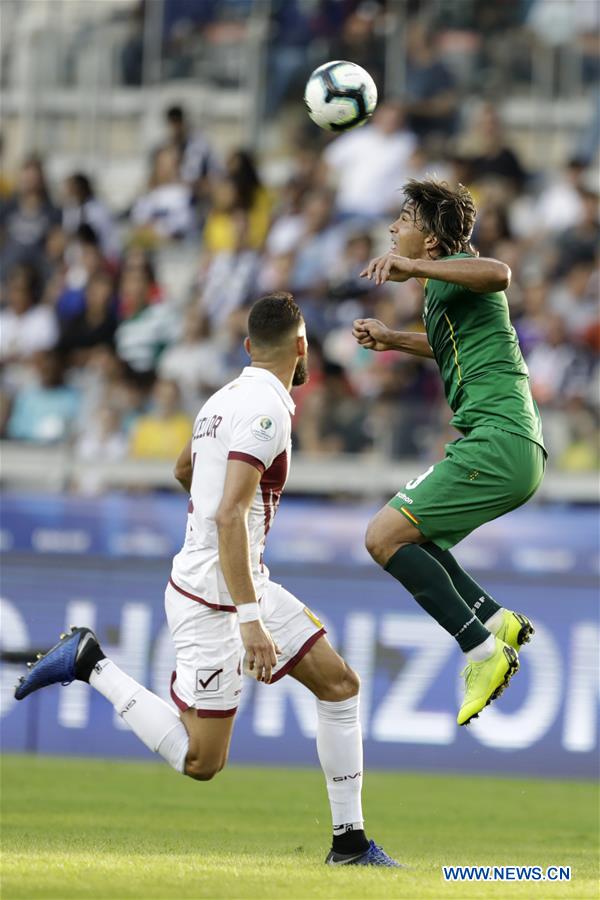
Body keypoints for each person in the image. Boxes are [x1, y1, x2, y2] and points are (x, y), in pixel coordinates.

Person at [15, 293, 399, 868]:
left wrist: (216, 543)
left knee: (340, 685)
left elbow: (184, 471)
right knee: (202, 762)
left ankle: (349, 844)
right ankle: (88, 661)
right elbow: (227, 514)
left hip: (240, 578)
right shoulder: (268, 413)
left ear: (248, 347)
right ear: (301, 348)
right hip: (216, 599)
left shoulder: (222, 399)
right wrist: (248, 619)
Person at [352, 178, 546, 727]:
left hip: (499, 440)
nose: (393, 229)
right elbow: (448, 346)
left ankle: (481, 652)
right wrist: (393, 339)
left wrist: (414, 270)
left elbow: (499, 274)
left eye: (405, 220)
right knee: (414, 537)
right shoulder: (443, 293)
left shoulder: (464, 273)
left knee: (382, 536)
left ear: (432, 242)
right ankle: (495, 619)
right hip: (509, 445)